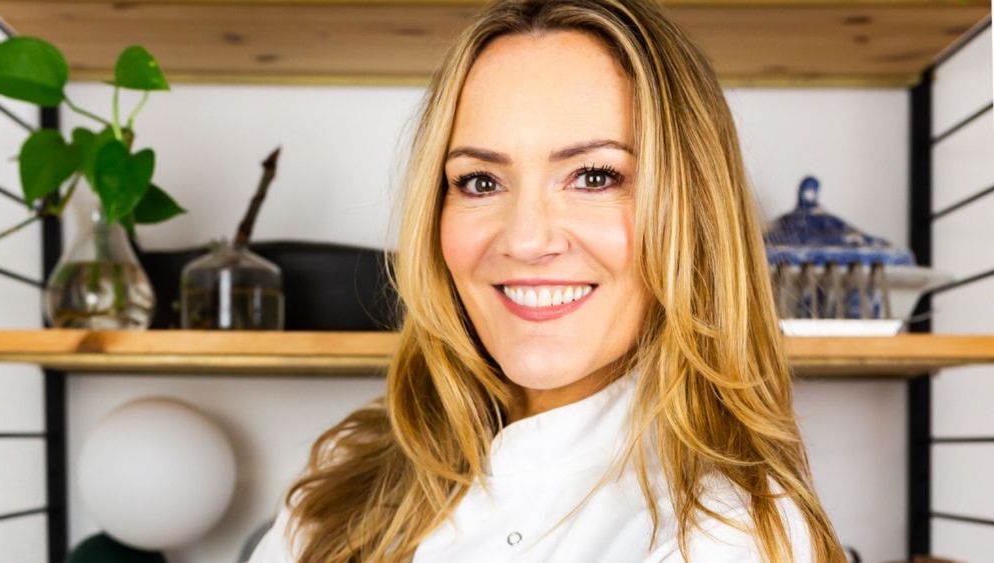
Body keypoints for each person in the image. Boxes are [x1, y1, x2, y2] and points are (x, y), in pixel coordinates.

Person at [248, 0, 845, 561]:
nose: (527, 240)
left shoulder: (729, 533)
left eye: (593, 176)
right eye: (481, 182)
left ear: (693, 211)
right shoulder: (348, 477)